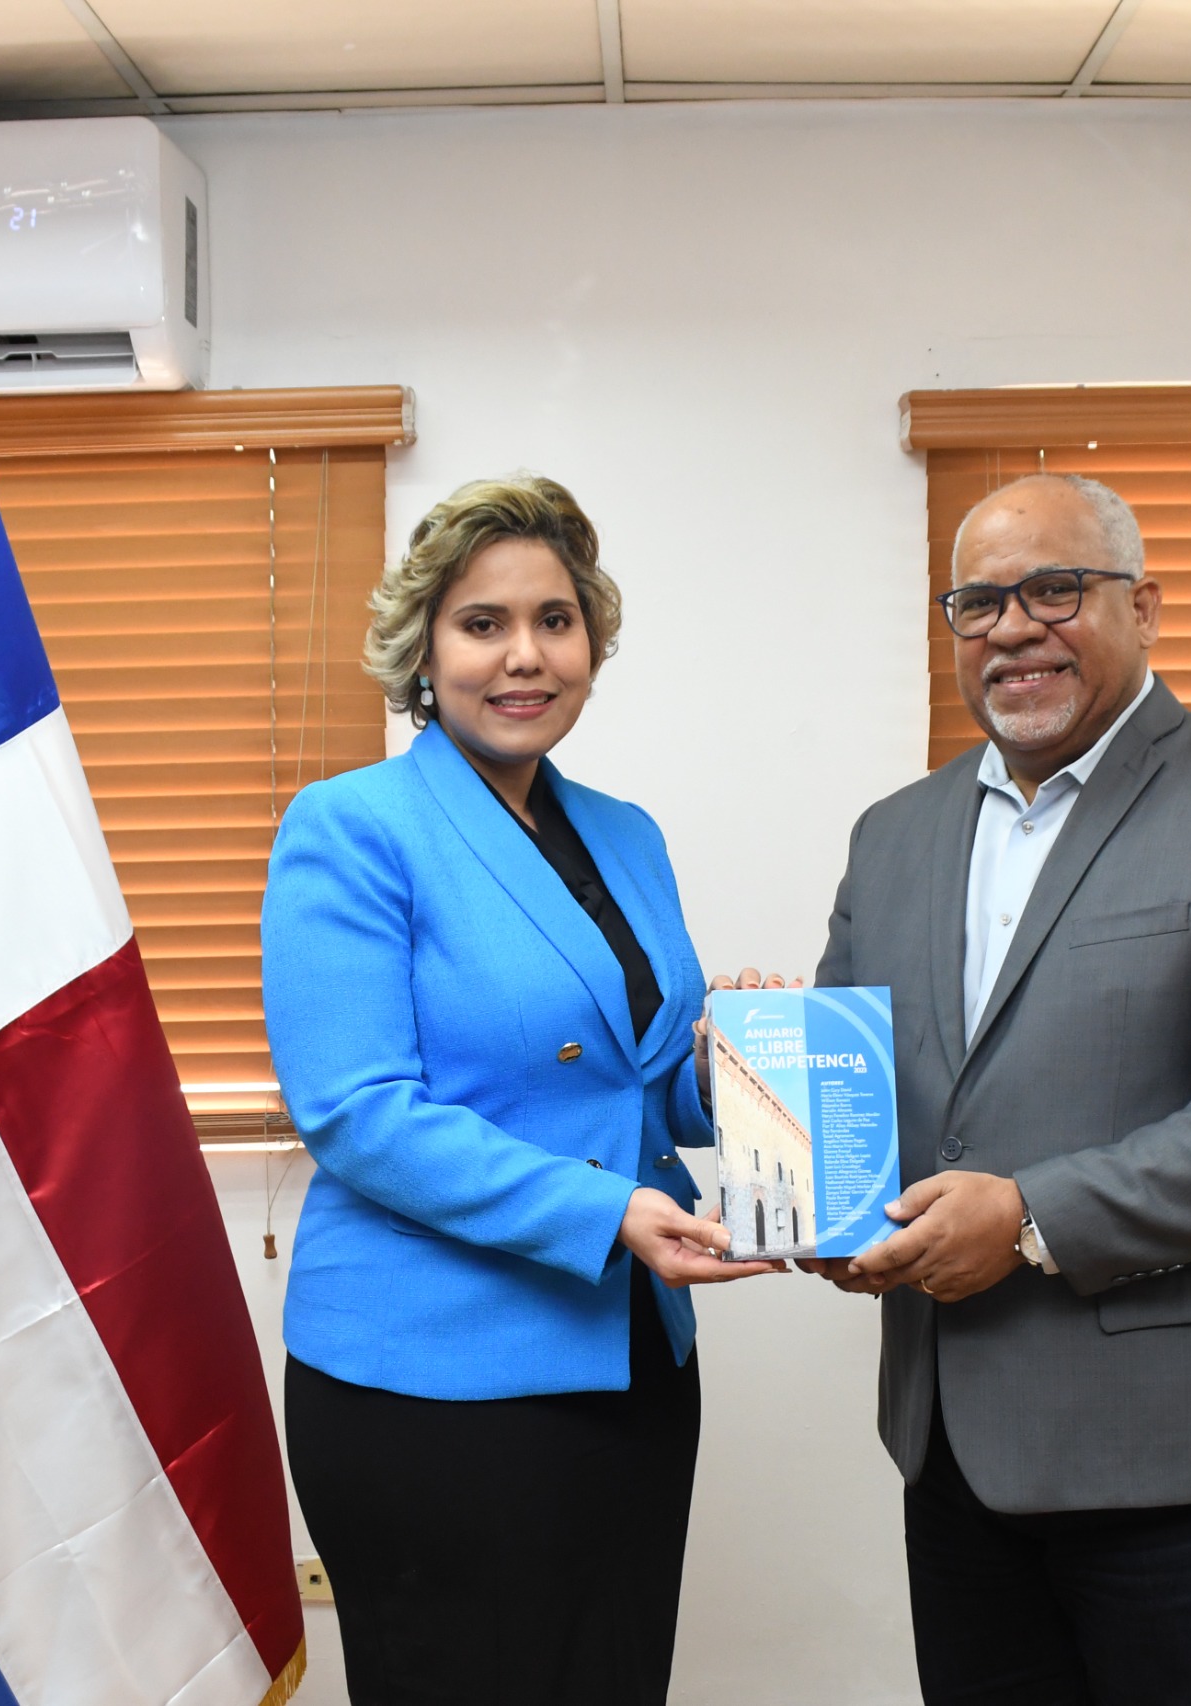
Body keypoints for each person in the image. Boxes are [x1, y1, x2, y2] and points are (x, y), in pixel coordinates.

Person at [807, 473, 1191, 1706]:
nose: (1013, 627)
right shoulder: (893, 833)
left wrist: (1028, 1215)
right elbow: (865, 1096)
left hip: (1187, 1452)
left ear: (1145, 606)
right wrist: (815, 1182)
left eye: (1054, 588)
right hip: (954, 1446)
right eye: (979, 601)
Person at [260, 474, 775, 1706]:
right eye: (482, 623)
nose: (524, 655)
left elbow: (641, 1086)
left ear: (591, 639)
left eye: (555, 619)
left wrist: (739, 1068)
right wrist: (605, 1211)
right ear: (423, 647)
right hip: (431, 1383)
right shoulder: (350, 824)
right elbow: (359, 1113)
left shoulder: (626, 832)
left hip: (634, 1361)